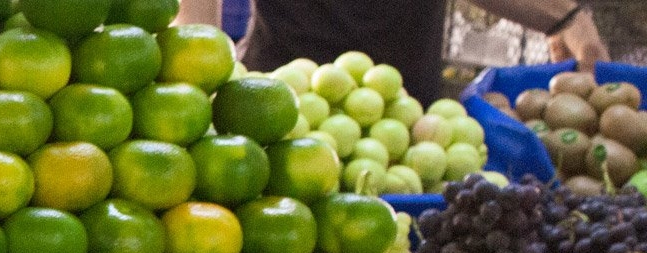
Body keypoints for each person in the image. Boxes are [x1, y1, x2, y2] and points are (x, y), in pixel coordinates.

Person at [181, 0, 609, 105]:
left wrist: (565, 17)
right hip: (277, 106)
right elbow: (195, 23)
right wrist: (200, 74)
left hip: (404, 121)